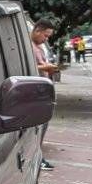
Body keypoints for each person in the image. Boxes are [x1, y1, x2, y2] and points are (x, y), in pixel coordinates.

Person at [31, 18, 57, 171]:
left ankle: (38, 154)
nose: (46, 39)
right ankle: (36, 156)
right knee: (37, 126)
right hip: (34, 93)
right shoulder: (27, 45)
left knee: (43, 125)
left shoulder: (39, 47)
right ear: (37, 30)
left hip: (43, 92)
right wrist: (45, 67)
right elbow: (29, 65)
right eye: (45, 36)